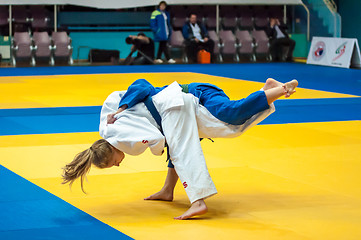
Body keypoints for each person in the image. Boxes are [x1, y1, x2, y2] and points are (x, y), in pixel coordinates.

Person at [62, 78, 298, 220]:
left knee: (230, 119)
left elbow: (143, 88)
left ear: (111, 151)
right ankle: (168, 190)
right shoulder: (115, 125)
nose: (119, 164)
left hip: (195, 94)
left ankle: (281, 89)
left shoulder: (120, 127)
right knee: (219, 129)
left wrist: (124, 109)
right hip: (182, 105)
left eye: (114, 163)